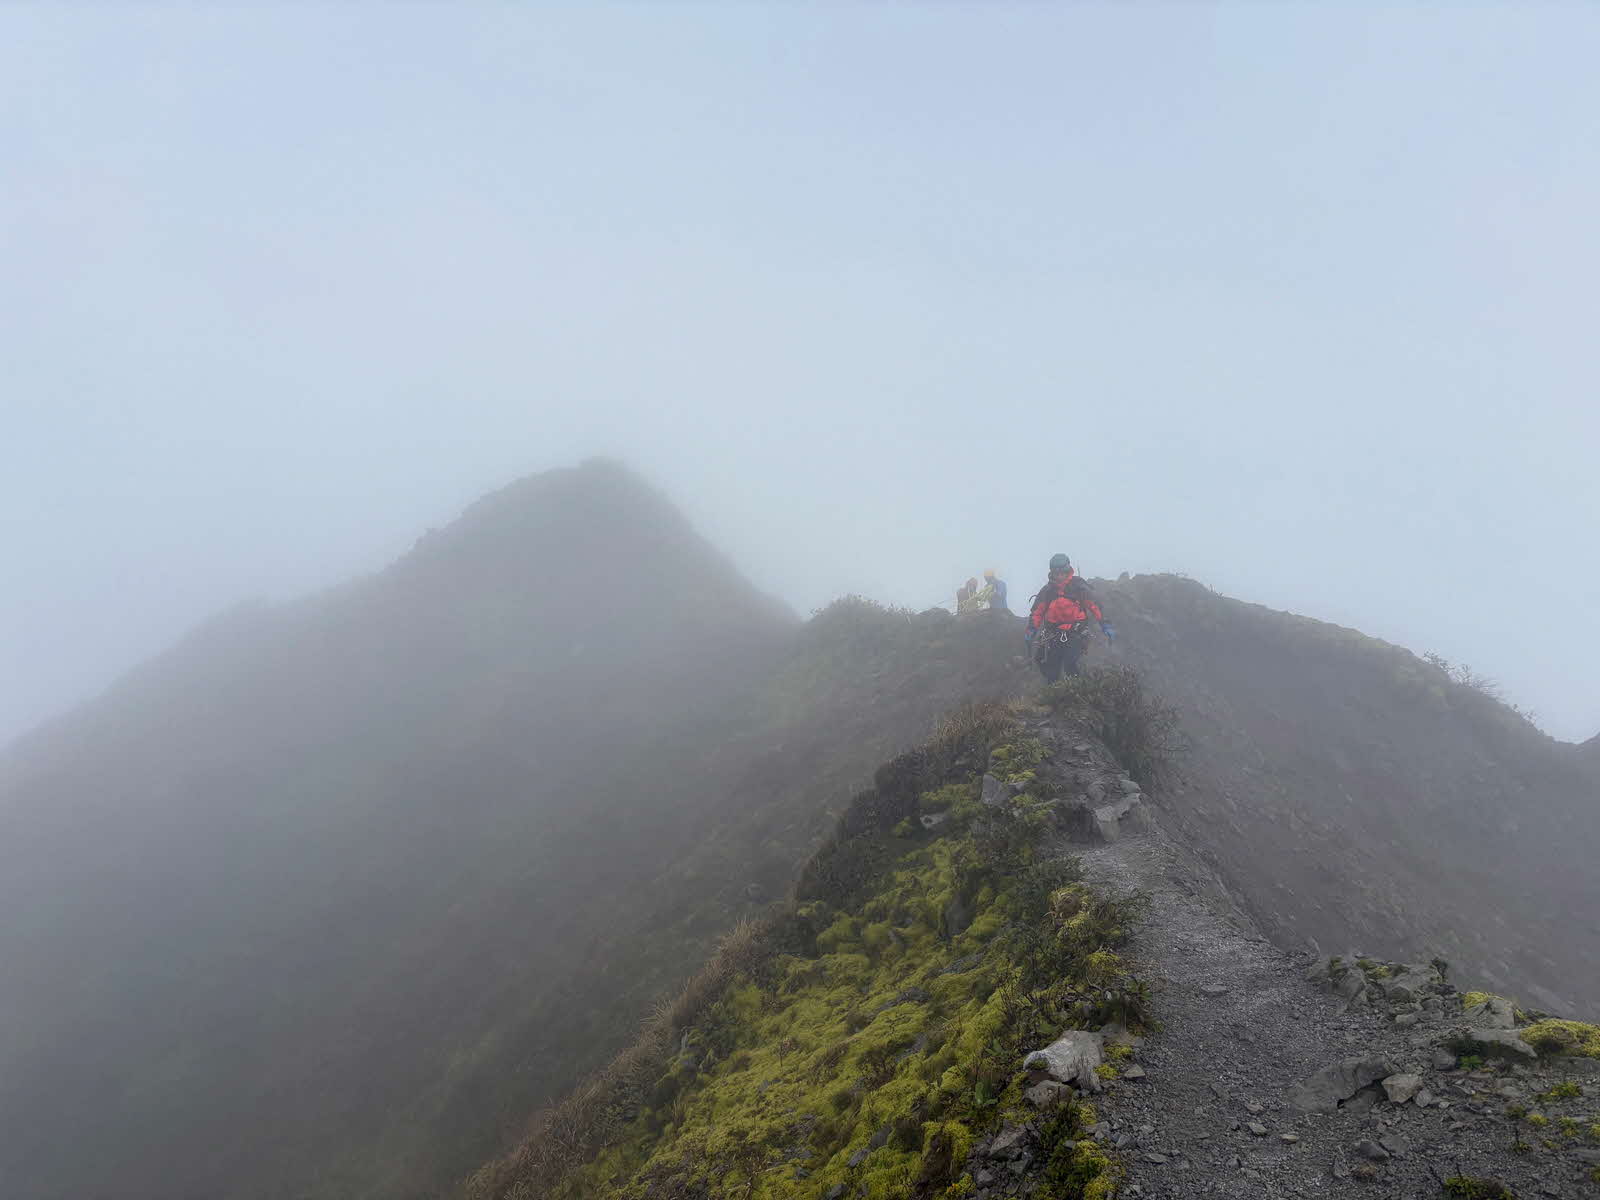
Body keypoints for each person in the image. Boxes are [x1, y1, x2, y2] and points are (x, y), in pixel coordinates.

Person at [1026, 553, 1116, 682]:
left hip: (1076, 633)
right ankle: (1055, 694)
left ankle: (1077, 694)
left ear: (1068, 570)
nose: (1060, 576)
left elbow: (1094, 605)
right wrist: (1031, 629)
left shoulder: (1079, 587)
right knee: (1048, 666)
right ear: (1052, 573)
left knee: (1071, 664)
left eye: (1063, 572)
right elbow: (1037, 612)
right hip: (1053, 634)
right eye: (1057, 573)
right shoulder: (1047, 591)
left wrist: (1105, 624)